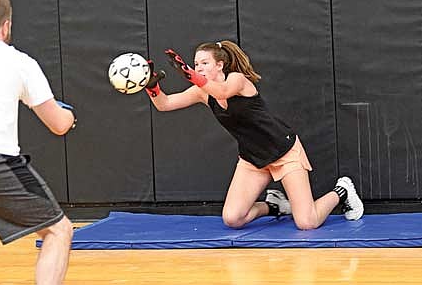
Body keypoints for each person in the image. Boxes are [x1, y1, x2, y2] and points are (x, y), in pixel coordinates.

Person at [145, 40, 364, 230]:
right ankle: (275, 206)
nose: (198, 67)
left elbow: (223, 92)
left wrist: (191, 75)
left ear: (220, 65)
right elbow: (165, 104)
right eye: (195, 64)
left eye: (204, 63)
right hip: (253, 159)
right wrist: (151, 87)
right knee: (233, 218)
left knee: (307, 223)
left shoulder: (236, 80)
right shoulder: (202, 93)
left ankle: (341, 191)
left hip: (283, 151)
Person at [0, 0, 75, 284]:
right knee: (58, 231)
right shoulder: (19, 62)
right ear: (6, 26)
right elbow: (58, 124)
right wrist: (69, 115)